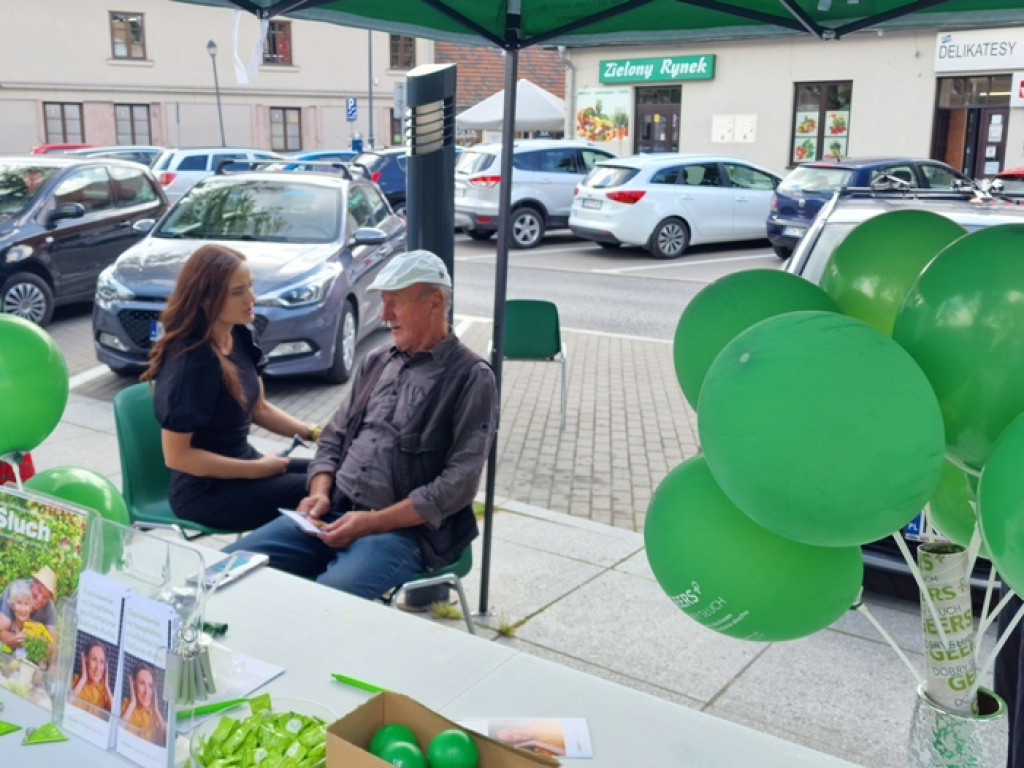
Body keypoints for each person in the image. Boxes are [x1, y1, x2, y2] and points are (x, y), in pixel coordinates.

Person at [225, 249, 497, 599]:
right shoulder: (377, 361)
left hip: (402, 532)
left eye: (394, 302)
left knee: (326, 602)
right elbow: (334, 437)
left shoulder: (471, 377)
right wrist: (319, 493)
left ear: (435, 302)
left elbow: (457, 485)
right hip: (334, 512)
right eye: (383, 303)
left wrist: (371, 522)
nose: (385, 316)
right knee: (227, 568)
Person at [140, 244, 319, 532]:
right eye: (238, 292)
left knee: (332, 472)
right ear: (205, 299)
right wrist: (257, 469)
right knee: (334, 488)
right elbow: (178, 457)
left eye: (250, 286)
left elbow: (259, 407)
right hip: (207, 493)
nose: (252, 298)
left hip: (244, 466)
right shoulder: (193, 363)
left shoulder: (239, 333)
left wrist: (315, 432)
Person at [0, 566, 58, 651]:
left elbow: (53, 643)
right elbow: (1, 630)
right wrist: (16, 638)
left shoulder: (49, 607)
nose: (39, 599)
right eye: (39, 591)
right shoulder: (16, 590)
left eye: (45, 597)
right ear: (34, 582)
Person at [120, 662, 166, 746]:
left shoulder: (155, 714)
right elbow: (116, 733)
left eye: (150, 686)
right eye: (142, 683)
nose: (147, 692)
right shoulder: (126, 704)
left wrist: (156, 711)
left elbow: (167, 743)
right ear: (133, 685)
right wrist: (132, 703)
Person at [70, 639, 113, 716]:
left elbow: (117, 723)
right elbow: (66, 706)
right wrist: (83, 679)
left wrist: (106, 686)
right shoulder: (76, 680)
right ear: (85, 661)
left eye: (101, 662)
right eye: (94, 659)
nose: (98, 667)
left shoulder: (104, 691)